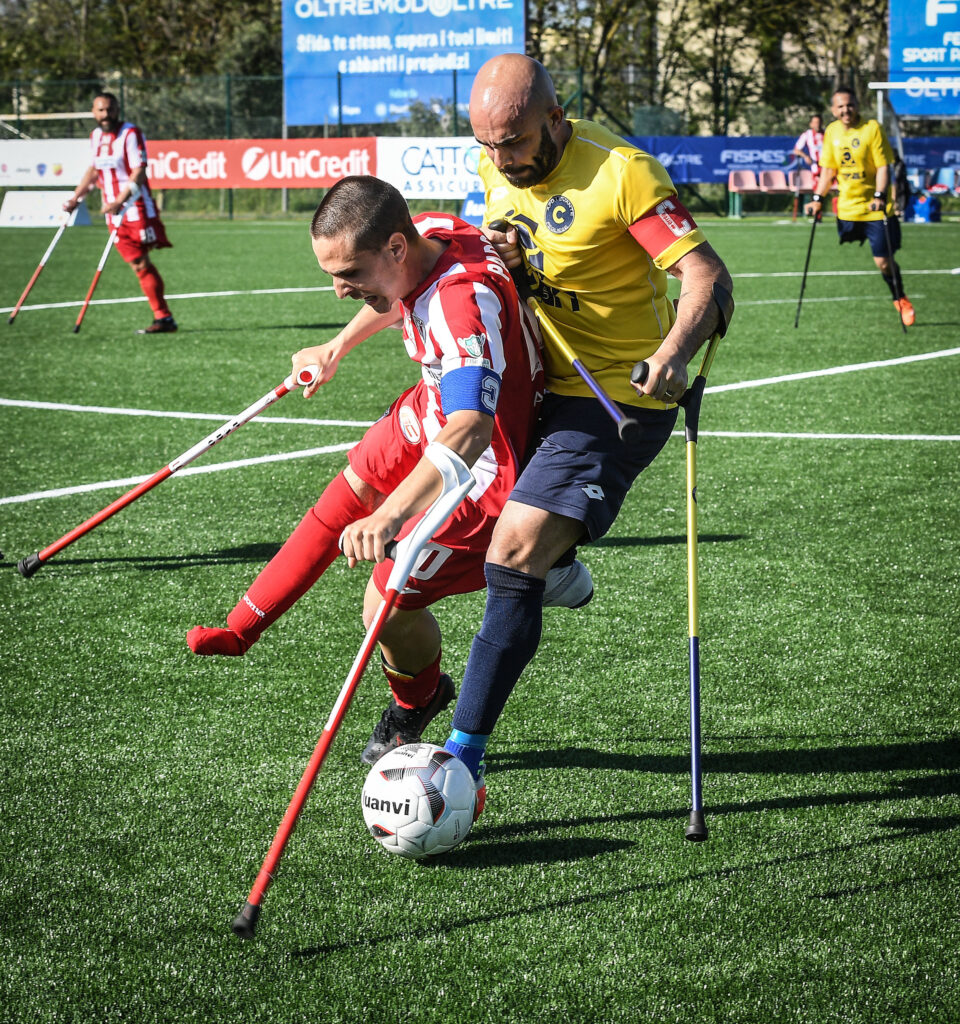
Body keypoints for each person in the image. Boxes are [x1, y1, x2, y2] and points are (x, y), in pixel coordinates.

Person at [438, 54, 733, 814]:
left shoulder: (622, 173)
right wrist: (509, 256)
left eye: (514, 143)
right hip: (536, 377)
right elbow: (513, 243)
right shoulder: (496, 160)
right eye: (487, 146)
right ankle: (560, 567)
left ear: (556, 116)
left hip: (613, 400)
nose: (500, 160)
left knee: (513, 549)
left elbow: (707, 278)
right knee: (461, 520)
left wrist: (673, 355)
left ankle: (462, 759)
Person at [187, 175, 563, 766]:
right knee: (352, 485)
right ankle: (242, 628)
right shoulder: (431, 232)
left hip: (483, 469)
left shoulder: (459, 307)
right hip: (428, 404)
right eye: (332, 274)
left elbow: (471, 430)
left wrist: (392, 516)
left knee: (382, 602)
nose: (340, 290)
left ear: (393, 248)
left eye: (350, 274)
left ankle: (419, 699)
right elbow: (396, 298)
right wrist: (334, 349)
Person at [63, 91, 177, 334]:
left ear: (117, 110)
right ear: (93, 112)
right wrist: (76, 197)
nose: (106, 115)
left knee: (141, 261)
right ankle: (164, 318)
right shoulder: (94, 136)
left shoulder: (130, 133)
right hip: (112, 212)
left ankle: (163, 317)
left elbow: (139, 171)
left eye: (110, 109)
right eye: (101, 110)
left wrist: (119, 200)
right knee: (136, 263)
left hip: (135, 207)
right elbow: (94, 171)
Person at [805, 88, 915, 327]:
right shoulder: (832, 132)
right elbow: (828, 171)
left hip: (875, 209)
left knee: (883, 262)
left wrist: (879, 195)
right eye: (840, 106)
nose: (846, 110)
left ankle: (901, 299)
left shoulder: (872, 128)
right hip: (847, 210)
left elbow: (883, 166)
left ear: (857, 106)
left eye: (850, 105)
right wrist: (817, 198)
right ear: (833, 110)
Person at [790, 113, 824, 181]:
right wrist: (806, 156)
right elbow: (796, 150)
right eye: (815, 122)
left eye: (819, 122)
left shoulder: (828, 133)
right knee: (819, 189)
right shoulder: (807, 134)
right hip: (816, 168)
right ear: (811, 124)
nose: (817, 124)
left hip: (829, 168)